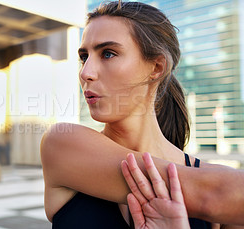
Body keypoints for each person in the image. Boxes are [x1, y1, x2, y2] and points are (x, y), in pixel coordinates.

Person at [40, 1, 244, 228]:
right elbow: (214, 196)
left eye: (108, 54)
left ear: (156, 67)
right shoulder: (62, 145)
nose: (85, 72)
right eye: (84, 56)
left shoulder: (215, 180)